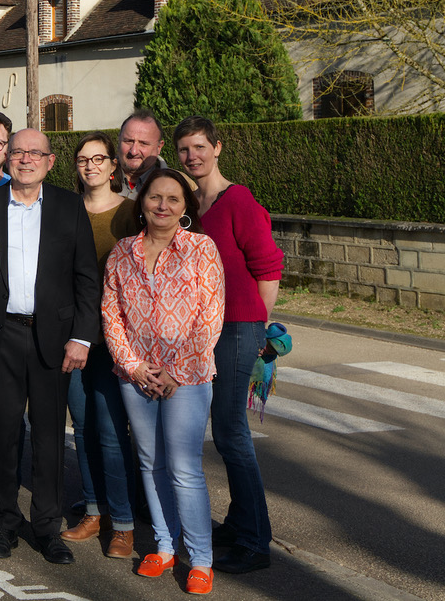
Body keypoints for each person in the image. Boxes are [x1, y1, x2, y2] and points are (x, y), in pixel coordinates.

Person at [102, 169, 225, 595]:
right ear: (142, 202)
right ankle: (165, 546)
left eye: (173, 199)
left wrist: (175, 368)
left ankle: (201, 559)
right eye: (155, 197)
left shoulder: (201, 249)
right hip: (135, 375)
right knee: (150, 463)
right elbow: (111, 314)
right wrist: (133, 366)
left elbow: (210, 315)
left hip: (187, 377)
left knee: (184, 468)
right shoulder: (122, 252)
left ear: (185, 206)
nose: (163, 206)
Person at [0, 128, 99, 566]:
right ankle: (4, 522)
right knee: (2, 433)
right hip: (1, 335)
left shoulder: (69, 206)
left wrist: (82, 336)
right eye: (18, 152)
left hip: (55, 337)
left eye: (35, 153)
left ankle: (47, 528)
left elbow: (86, 276)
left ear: (50, 161)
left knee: (49, 437)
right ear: (7, 159)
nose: (26, 159)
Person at [175, 115, 283, 575]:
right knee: (223, 432)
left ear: (217, 148)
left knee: (231, 432)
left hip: (239, 327)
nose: (192, 156)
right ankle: (240, 522)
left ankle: (256, 541)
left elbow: (268, 266)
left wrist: (258, 325)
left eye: (200, 147)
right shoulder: (194, 206)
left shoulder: (237, 199)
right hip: (207, 330)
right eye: (184, 149)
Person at [61, 131, 139, 558]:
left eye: (98, 159)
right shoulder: (66, 210)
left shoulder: (129, 213)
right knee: (83, 425)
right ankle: (94, 510)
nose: (90, 166)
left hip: (113, 339)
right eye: (83, 159)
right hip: (74, 337)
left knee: (111, 430)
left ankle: (123, 523)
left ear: (113, 166)